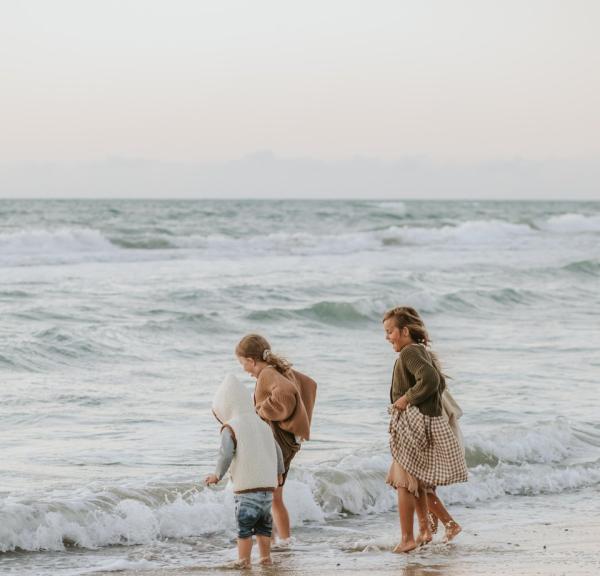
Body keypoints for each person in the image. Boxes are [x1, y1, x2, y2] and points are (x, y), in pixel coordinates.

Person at [382, 307, 468, 553]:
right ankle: (425, 531)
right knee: (416, 483)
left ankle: (408, 538)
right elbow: (437, 381)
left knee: (403, 482)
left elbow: (430, 379)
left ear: (405, 331)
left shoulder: (410, 352)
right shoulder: (418, 351)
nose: (388, 337)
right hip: (420, 422)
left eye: (390, 332)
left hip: (413, 423)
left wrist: (406, 398)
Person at [236, 334, 317, 544]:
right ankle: (284, 542)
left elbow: (286, 393)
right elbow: (309, 384)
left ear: (252, 360)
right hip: (288, 441)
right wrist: (299, 420)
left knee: (268, 496)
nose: (243, 368)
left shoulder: (267, 373)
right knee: (275, 497)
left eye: (242, 363)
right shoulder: (281, 369)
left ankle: (271, 543)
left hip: (277, 443)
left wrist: (261, 411)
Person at [204, 374, 285, 568]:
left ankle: (243, 561)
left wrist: (217, 475)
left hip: (247, 489)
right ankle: (265, 557)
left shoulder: (230, 427)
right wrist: (279, 472)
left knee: (245, 528)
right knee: (264, 527)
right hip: (267, 488)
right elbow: (277, 450)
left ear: (225, 407)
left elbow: (225, 454)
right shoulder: (262, 424)